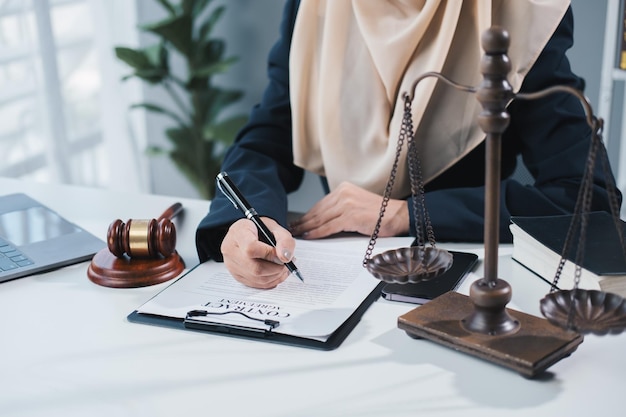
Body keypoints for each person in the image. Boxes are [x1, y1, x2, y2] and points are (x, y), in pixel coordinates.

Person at [196, 0, 620, 289]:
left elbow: (588, 196)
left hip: (466, 291)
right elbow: (269, 134)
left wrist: (407, 214)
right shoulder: (315, 7)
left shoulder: (517, 10)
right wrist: (245, 222)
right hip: (339, 284)